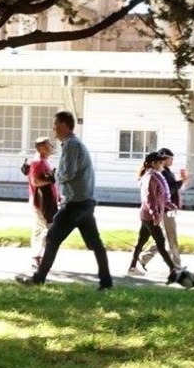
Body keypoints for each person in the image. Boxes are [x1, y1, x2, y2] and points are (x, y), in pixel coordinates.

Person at [15, 111, 113, 290]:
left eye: (55, 124)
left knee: (52, 238)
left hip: (74, 205)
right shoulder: (75, 144)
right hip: (85, 203)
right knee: (95, 244)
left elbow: (67, 173)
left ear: (63, 125)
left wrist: (54, 175)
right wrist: (56, 174)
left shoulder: (71, 145)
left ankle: (38, 279)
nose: (53, 129)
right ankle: (106, 282)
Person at [127, 151, 179, 276]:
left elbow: (162, 197)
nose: (162, 164)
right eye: (160, 162)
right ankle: (174, 270)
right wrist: (155, 213)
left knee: (141, 242)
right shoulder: (150, 177)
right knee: (161, 243)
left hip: (148, 215)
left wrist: (170, 205)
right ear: (153, 163)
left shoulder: (156, 176)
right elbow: (149, 197)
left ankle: (132, 268)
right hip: (150, 216)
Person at [139, 147, 187, 270]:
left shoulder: (166, 172)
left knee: (164, 237)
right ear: (163, 160)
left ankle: (145, 257)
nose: (172, 161)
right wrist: (181, 182)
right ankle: (176, 266)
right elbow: (166, 192)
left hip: (168, 209)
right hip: (164, 210)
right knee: (172, 237)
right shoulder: (161, 174)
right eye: (170, 159)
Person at [24, 137, 59, 269]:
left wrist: (58, 196)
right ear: (41, 148)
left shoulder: (44, 161)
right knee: (42, 230)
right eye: (49, 145)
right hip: (40, 203)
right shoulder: (38, 162)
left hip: (47, 202)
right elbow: (35, 182)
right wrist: (50, 180)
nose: (52, 147)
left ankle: (41, 257)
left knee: (45, 229)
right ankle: (36, 257)